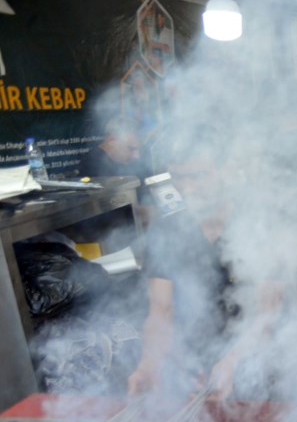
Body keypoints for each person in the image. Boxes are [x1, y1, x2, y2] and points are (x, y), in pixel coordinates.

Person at [127, 128, 274, 400]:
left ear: (226, 171)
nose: (187, 189)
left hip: (255, 358)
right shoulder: (168, 228)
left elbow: (268, 312)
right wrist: (149, 362)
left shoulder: (258, 222)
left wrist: (232, 361)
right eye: (178, 179)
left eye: (198, 176)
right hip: (194, 365)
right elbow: (160, 309)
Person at [78, 116, 146, 179]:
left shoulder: (130, 163)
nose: (137, 156)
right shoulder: (92, 167)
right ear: (112, 141)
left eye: (138, 150)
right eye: (131, 149)